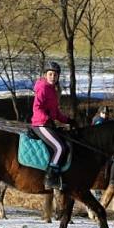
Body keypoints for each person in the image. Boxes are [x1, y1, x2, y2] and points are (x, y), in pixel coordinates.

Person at [32, 61, 75, 190]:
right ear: (46, 75)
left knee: (66, 143)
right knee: (60, 147)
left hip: (48, 124)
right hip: (40, 124)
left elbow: (56, 113)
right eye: (50, 74)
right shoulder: (43, 87)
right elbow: (37, 107)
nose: (52, 77)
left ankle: (60, 175)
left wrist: (68, 120)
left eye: (55, 75)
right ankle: (50, 179)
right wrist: (47, 118)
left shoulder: (53, 90)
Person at [91, 105, 114, 188]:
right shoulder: (99, 122)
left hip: (101, 147)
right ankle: (112, 179)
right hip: (98, 148)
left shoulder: (104, 121)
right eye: (103, 113)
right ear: (100, 113)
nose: (105, 114)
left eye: (106, 113)